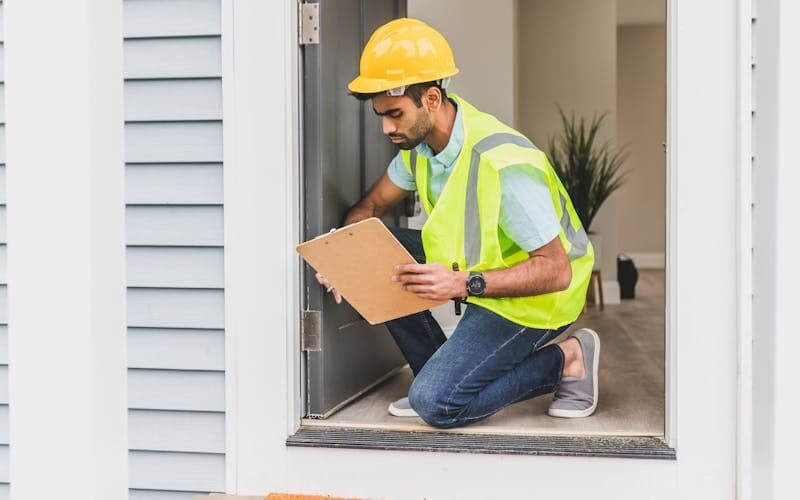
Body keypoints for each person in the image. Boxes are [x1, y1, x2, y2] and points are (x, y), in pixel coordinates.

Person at [316, 18, 599, 429]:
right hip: (480, 276)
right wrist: (348, 255)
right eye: (381, 115)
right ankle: (438, 373)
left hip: (537, 299)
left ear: (431, 98)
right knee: (377, 251)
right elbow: (371, 205)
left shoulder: (503, 164)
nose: (386, 128)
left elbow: (556, 271)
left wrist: (465, 283)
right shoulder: (420, 149)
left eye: (395, 114)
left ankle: (570, 358)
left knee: (438, 404)